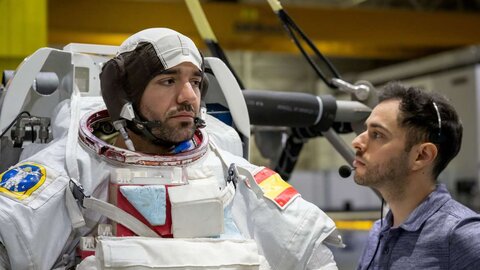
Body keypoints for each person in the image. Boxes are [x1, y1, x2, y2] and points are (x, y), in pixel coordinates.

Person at [0, 28, 342, 269]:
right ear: (125, 97)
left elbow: (309, 252)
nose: (188, 97)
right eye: (168, 81)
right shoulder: (69, 175)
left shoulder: (234, 177)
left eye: (195, 82)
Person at [352, 81, 480, 269]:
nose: (356, 142)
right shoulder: (378, 232)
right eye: (365, 130)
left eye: (377, 134)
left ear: (421, 155)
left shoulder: (464, 236)